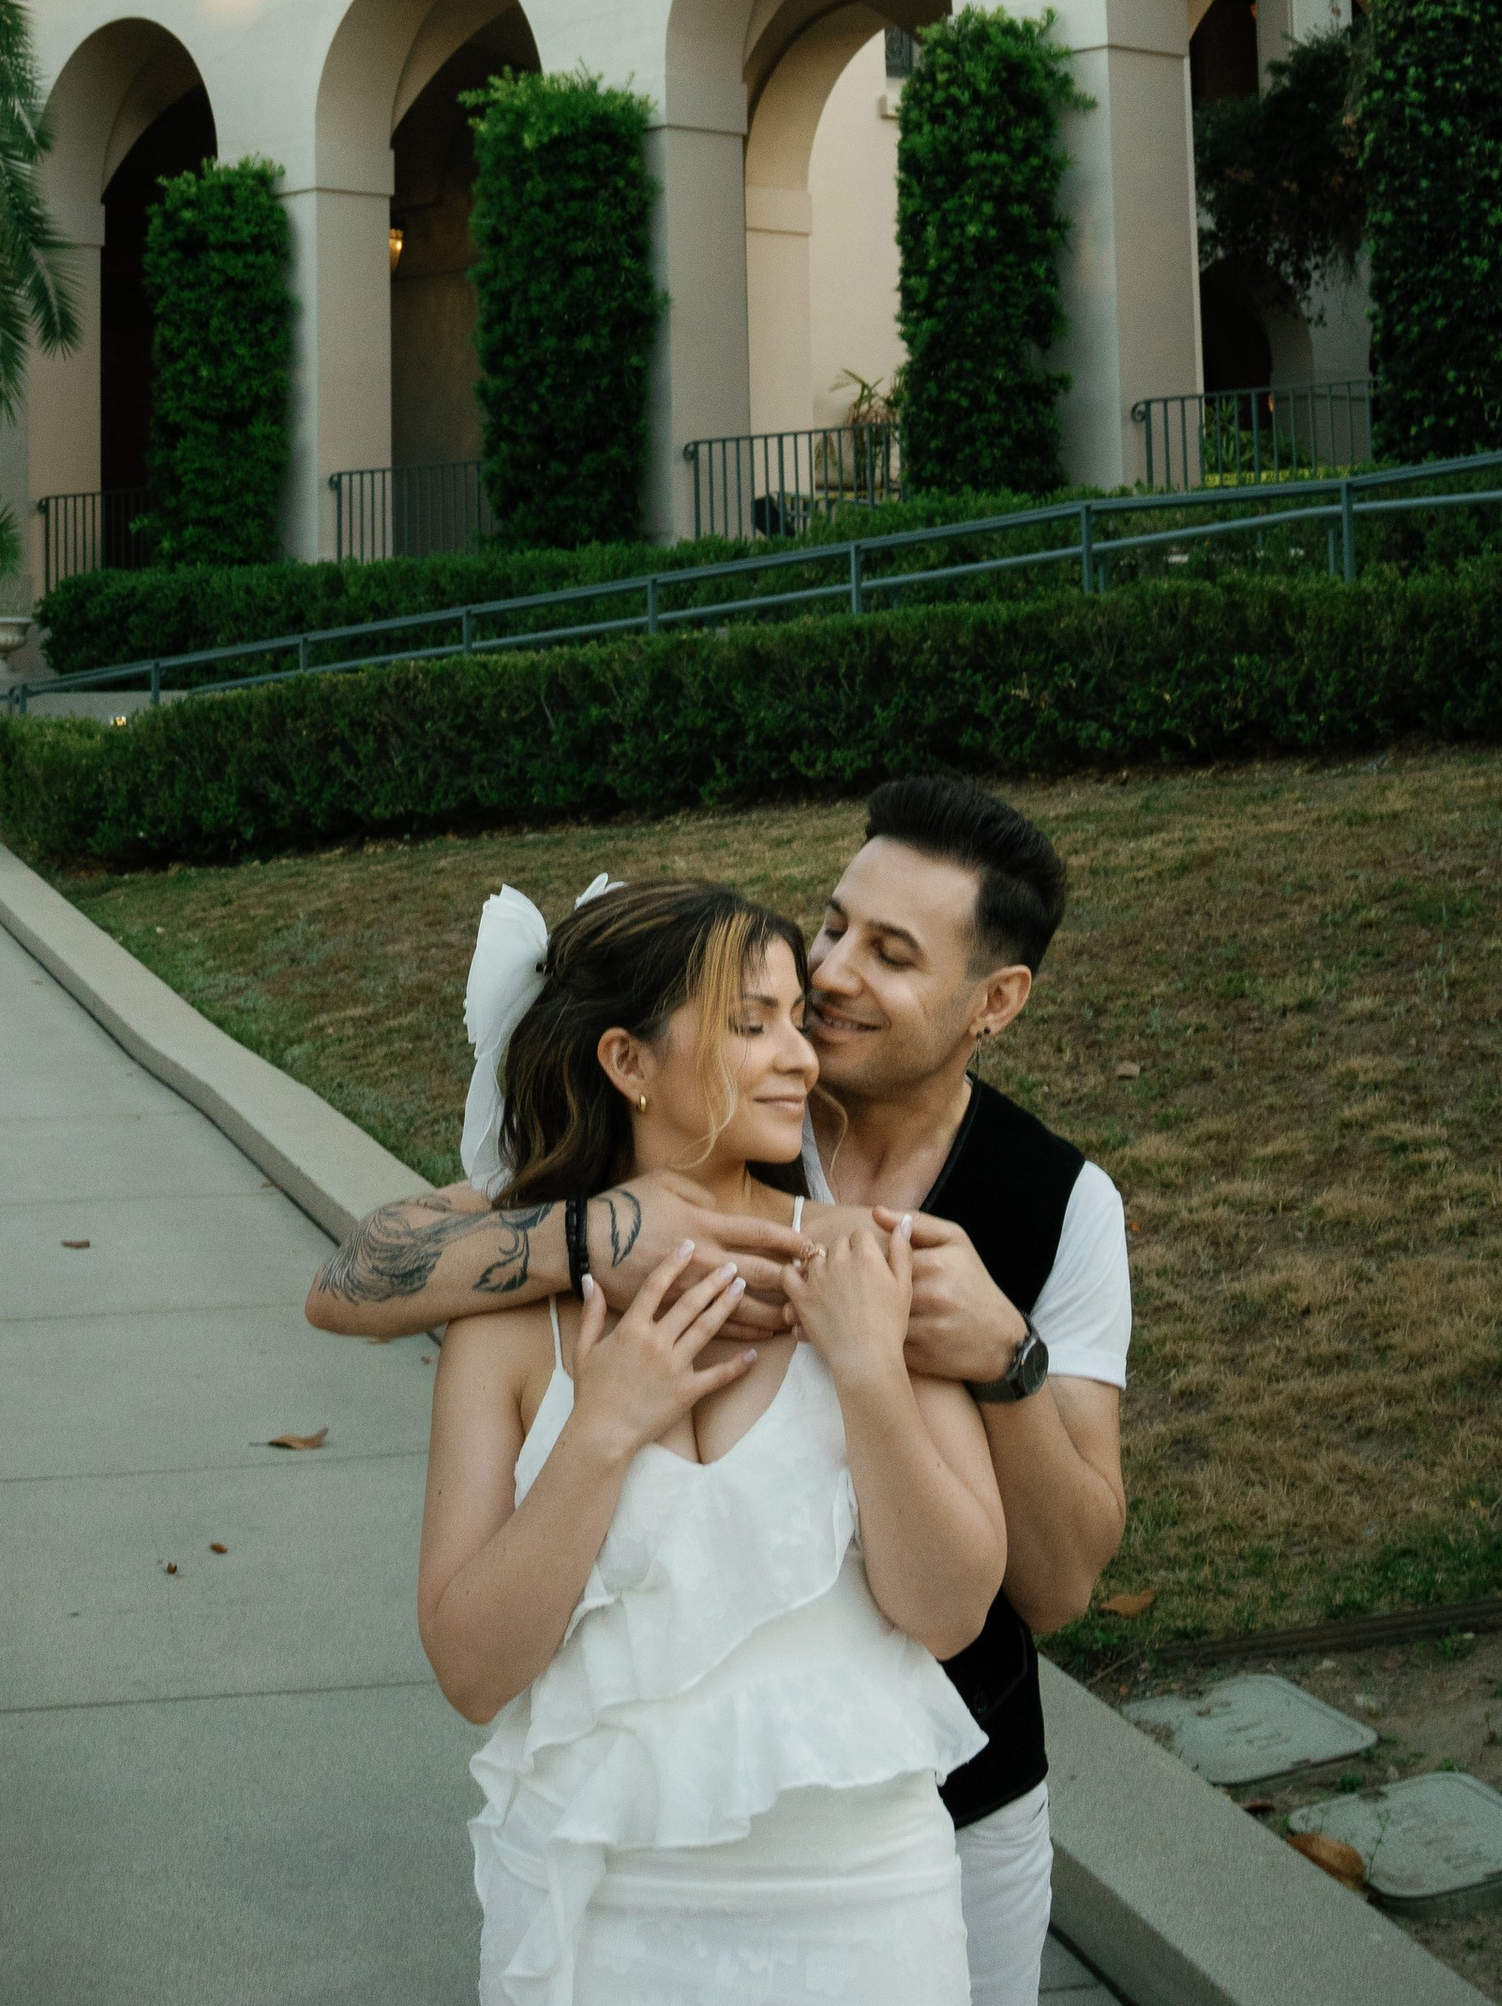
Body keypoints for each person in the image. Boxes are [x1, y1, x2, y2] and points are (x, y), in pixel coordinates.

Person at [311, 776, 1130, 2006]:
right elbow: (349, 1281)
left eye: (888, 954)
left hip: (901, 1844)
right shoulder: (544, 1266)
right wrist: (592, 1290)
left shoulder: (976, 1234)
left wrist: (948, 1360)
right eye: (828, 936)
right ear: (629, 1063)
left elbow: (1022, 1593)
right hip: (605, 1884)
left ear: (993, 1001)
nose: (826, 998)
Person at [419, 875, 1000, 2003]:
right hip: (600, 1906)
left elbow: (949, 1611)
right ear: (627, 1062)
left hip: (864, 1906)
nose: (801, 1058)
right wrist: (600, 1433)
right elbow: (472, 1671)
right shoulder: (510, 1322)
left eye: (797, 1022)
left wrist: (869, 1373)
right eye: (751, 1025)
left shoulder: (879, 1261)